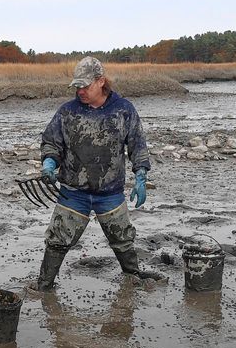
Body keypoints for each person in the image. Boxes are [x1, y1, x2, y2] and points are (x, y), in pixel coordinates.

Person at [33, 56, 161, 291]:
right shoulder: (67, 112)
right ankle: (43, 285)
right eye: (77, 86)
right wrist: (50, 163)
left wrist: (141, 175)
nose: (80, 91)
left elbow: (137, 145)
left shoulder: (123, 110)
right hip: (73, 191)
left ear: (101, 81)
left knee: (122, 239)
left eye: (85, 85)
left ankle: (132, 277)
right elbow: (52, 142)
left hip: (110, 191)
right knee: (57, 240)